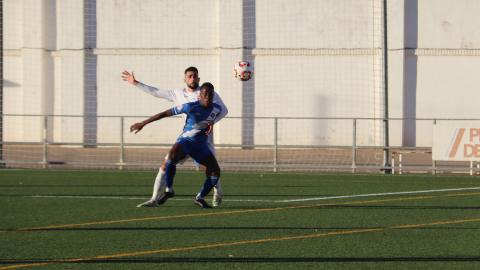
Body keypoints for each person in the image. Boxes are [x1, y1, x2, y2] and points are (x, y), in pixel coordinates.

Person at [122, 67, 227, 207]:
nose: (193, 78)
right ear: (185, 79)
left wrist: (209, 123)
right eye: (189, 76)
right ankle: (155, 198)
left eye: (195, 76)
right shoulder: (180, 95)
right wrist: (136, 83)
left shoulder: (208, 91)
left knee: (211, 170)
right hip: (186, 138)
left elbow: (223, 110)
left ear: (199, 79)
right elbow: (156, 92)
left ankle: (216, 193)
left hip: (204, 140)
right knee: (167, 162)